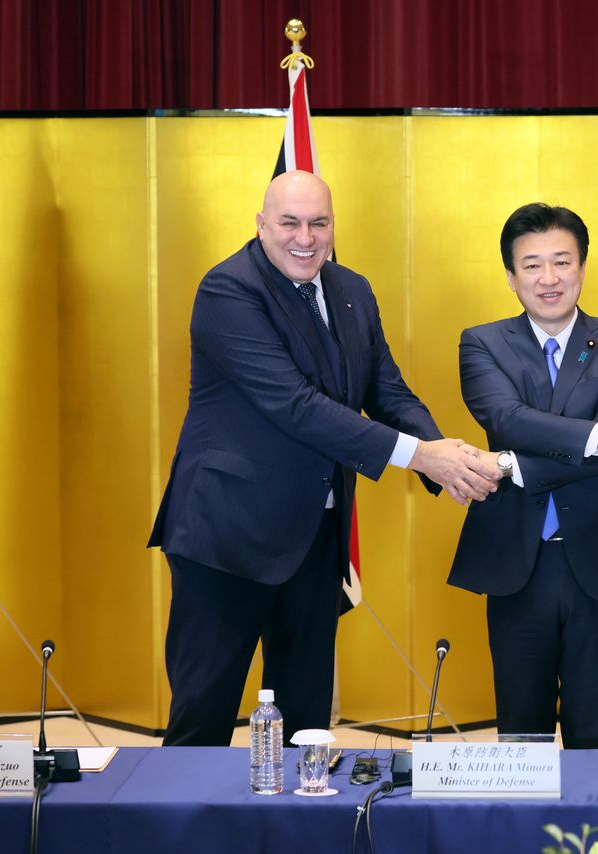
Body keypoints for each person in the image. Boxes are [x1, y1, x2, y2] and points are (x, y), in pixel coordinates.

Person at [149, 170, 499, 746]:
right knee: (203, 721)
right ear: (261, 225)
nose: (305, 238)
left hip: (315, 535)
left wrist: (446, 458)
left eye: (319, 223)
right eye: (289, 223)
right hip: (224, 540)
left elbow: (386, 390)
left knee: (305, 726)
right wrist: (423, 458)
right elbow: (297, 407)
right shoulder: (227, 290)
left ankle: (293, 834)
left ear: (334, 225)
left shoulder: (352, 288)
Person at [448, 203, 598, 749]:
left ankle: (594, 835)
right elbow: (505, 418)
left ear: (582, 268)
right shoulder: (482, 342)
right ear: (511, 276)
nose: (549, 279)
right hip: (517, 557)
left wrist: (509, 464)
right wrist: (594, 435)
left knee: (596, 730)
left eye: (562, 262)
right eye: (533, 265)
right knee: (522, 728)